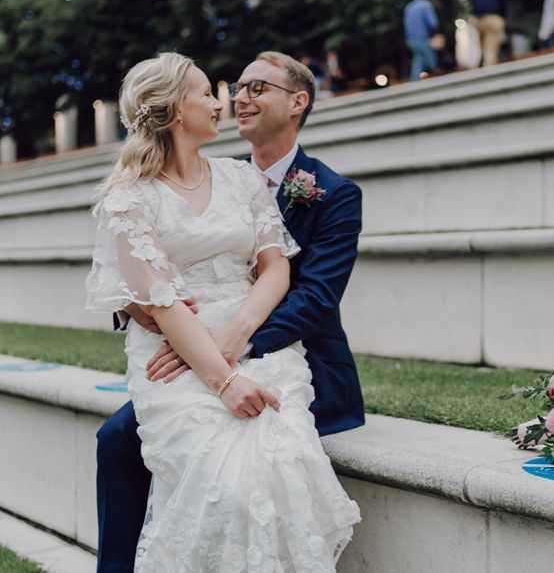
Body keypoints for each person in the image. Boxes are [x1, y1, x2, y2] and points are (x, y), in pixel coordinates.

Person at [88, 51, 362, 572]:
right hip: (184, 350)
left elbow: (313, 295)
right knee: (121, 442)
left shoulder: (331, 193)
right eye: (233, 88)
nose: (235, 98)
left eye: (257, 88)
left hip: (270, 349)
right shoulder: (141, 194)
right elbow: (145, 285)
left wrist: (231, 341)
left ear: (297, 102)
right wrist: (142, 302)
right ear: (172, 110)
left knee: (244, 465)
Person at [403, 0, 439, 81]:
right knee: (431, 62)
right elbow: (433, 23)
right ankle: (437, 81)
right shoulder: (426, 5)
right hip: (421, 38)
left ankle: (414, 83)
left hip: (410, 39)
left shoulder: (409, 6)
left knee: (418, 60)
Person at [470, 0, 506, 66]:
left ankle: (484, 63)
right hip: (493, 20)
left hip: (478, 21)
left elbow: (474, 9)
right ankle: (489, 67)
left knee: (483, 45)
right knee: (491, 46)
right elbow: (502, 8)